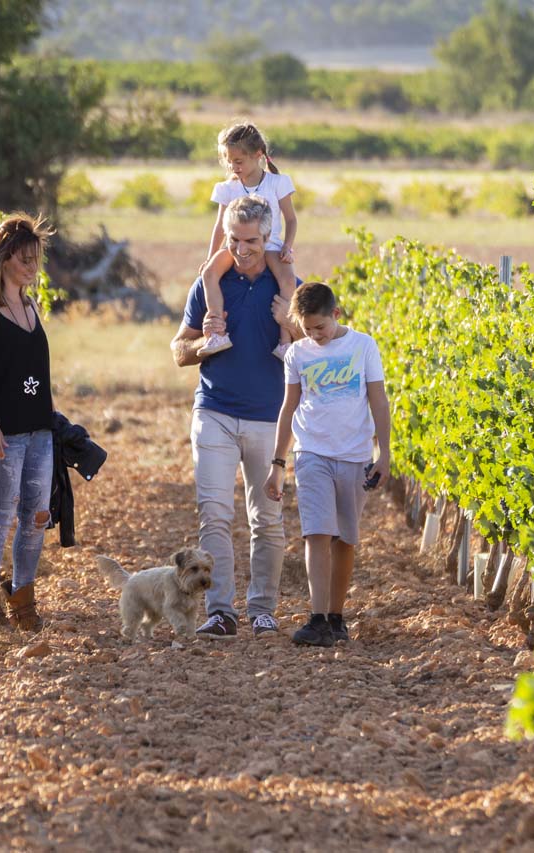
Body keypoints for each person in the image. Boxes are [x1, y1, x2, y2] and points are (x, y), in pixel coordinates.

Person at [171, 194, 291, 640]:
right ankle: (221, 611)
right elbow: (179, 349)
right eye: (236, 240)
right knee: (214, 516)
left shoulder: (286, 289)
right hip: (215, 412)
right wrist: (203, 344)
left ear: (268, 237)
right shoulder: (208, 286)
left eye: (253, 241)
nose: (243, 249)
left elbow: (315, 347)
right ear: (227, 236)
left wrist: (290, 324)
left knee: (267, 519)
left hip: (269, 417)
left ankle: (263, 609)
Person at [264, 282, 392, 647]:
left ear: (336, 314)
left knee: (345, 539)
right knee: (316, 532)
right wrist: (278, 462)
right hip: (311, 453)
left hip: (354, 455)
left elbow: (378, 401)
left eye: (320, 327)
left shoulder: (363, 346)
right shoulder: (297, 354)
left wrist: (384, 454)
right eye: (307, 330)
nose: (315, 335)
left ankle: (336, 616)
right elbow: (288, 408)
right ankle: (317, 616)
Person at [0, 213, 57, 637]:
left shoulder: (31, 304)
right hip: (1, 430)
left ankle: (22, 598)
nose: (32, 267)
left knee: (36, 517)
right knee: (0, 516)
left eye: (35, 259)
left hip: (39, 429)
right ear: (3, 259)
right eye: (24, 259)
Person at [197, 122, 299, 361]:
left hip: (271, 246)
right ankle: (217, 331)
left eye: (238, 161)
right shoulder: (228, 187)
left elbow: (291, 219)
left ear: (258, 155)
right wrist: (211, 256)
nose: (233, 166)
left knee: (287, 281)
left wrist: (287, 245)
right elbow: (219, 226)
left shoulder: (277, 183)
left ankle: (285, 341)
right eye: (228, 161)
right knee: (209, 274)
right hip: (235, 246)